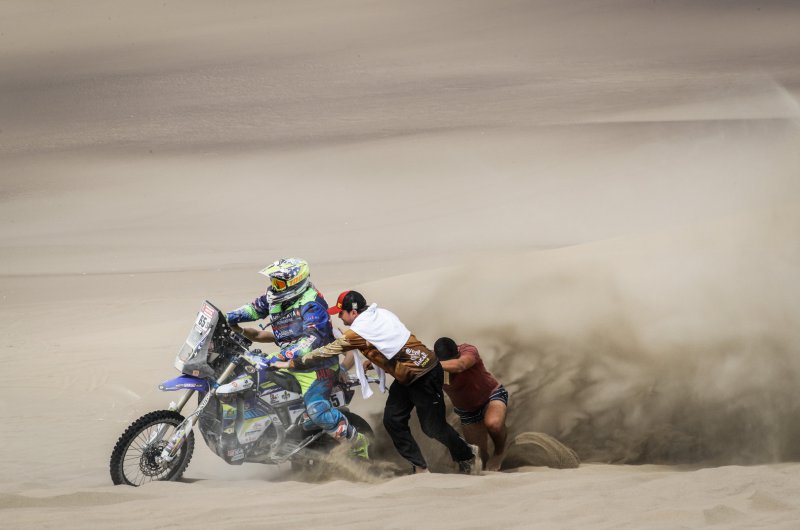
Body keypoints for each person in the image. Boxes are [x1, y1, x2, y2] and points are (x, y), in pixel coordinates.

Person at [273, 290, 481, 475]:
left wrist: (292, 363)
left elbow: (327, 351)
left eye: (341, 313)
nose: (339, 317)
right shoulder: (381, 313)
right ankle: (420, 468)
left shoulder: (358, 331)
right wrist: (375, 362)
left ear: (353, 312)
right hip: (407, 378)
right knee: (393, 421)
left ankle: (466, 454)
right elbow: (391, 339)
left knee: (432, 427)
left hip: (425, 374)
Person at [226, 258, 368, 458]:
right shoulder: (276, 297)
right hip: (286, 360)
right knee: (245, 377)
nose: (274, 286)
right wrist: (229, 317)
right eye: (273, 281)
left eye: (279, 283)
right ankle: (255, 433)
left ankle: (358, 441)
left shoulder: (312, 305)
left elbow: (310, 341)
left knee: (317, 410)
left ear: (295, 282)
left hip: (316, 367)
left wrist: (282, 356)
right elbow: (254, 309)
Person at [433, 337, 509, 471]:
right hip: (467, 412)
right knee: (479, 460)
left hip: (491, 396)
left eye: (453, 358)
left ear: (458, 351)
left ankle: (499, 452)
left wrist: (431, 365)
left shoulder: (468, 350)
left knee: (494, 424)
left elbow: (460, 365)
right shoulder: (429, 362)